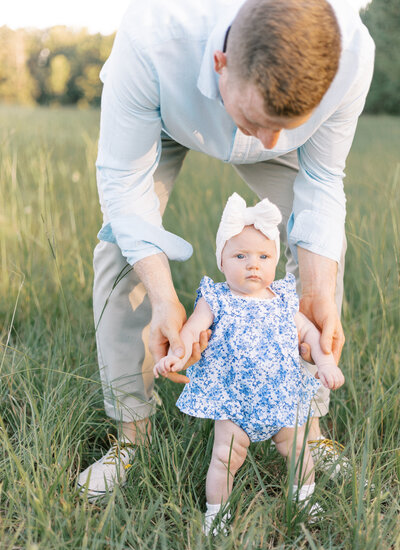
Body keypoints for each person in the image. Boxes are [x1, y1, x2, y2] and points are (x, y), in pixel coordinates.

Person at [77, 0, 374, 499]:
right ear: (220, 64)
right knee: (118, 253)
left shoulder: (351, 56)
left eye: (289, 122)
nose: (271, 139)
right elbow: (124, 185)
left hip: (266, 127)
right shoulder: (152, 39)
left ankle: (308, 426)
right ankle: (133, 434)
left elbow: (322, 180)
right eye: (262, 119)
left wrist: (318, 286)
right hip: (169, 118)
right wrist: (165, 298)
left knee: (324, 255)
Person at [153, 194, 345, 534]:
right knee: (225, 458)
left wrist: (326, 361)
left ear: (274, 261)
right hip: (233, 400)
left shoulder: (284, 299)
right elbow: (190, 331)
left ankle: (304, 498)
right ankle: (217, 514)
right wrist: (174, 356)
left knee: (298, 450)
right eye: (240, 255)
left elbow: (312, 334)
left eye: (263, 256)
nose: (252, 264)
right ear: (222, 262)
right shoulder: (216, 299)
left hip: (280, 396)